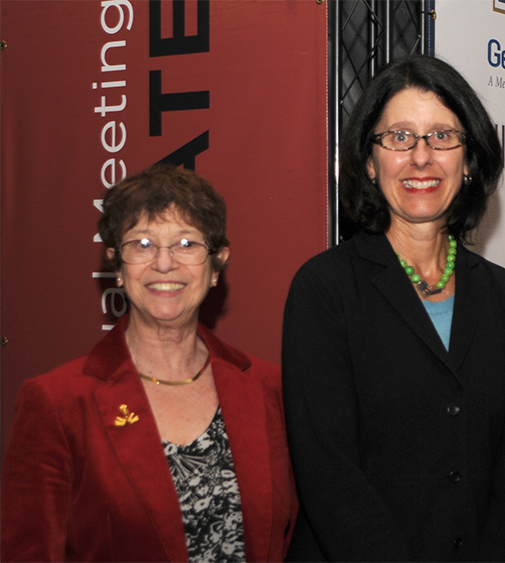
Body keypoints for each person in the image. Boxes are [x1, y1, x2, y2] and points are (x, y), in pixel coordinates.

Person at [282, 55, 505, 562]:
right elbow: (329, 475)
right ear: (367, 160)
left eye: (442, 137)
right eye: (399, 138)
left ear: (469, 160)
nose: (420, 157)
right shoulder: (323, 291)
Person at [0, 165, 299, 562]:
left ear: (216, 265)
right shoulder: (57, 402)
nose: (163, 263)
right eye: (141, 244)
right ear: (116, 266)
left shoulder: (270, 390)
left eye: (186, 244)